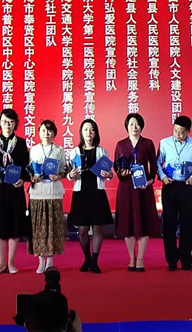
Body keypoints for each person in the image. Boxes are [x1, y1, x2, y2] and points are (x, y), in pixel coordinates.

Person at [0, 108, 30, 274]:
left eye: (11, 122)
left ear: (15, 124)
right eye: (4, 121)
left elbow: (26, 166)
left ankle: (11, 263)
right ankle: (1, 263)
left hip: (14, 189)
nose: (8, 125)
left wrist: (23, 179)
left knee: (14, 224)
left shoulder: (21, 143)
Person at [156, 115, 192, 271]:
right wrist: (163, 177)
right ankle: (171, 261)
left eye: (181, 132)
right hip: (170, 186)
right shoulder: (164, 143)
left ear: (188, 131)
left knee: (186, 224)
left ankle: (186, 261)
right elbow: (158, 163)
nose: (177, 134)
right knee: (169, 224)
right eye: (175, 131)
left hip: (186, 186)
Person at [113, 113, 159, 272]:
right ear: (126, 126)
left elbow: (154, 166)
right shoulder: (120, 144)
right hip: (126, 188)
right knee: (127, 222)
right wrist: (122, 173)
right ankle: (131, 257)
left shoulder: (148, 143)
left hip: (143, 189)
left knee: (144, 221)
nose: (134, 127)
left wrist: (150, 181)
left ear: (142, 126)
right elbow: (116, 166)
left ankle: (140, 259)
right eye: (131, 124)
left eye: (137, 124)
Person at [66, 119, 113, 273]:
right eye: (86, 129)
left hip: (97, 192)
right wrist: (71, 175)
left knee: (97, 228)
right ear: (81, 132)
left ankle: (94, 261)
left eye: (92, 129)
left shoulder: (101, 151)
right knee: (82, 230)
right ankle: (87, 257)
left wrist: (109, 174)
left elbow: (109, 173)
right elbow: (69, 174)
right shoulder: (74, 152)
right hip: (81, 193)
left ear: (96, 133)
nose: (89, 133)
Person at [28, 120, 67, 274]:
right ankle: (40, 261)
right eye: (43, 130)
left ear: (54, 133)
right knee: (38, 228)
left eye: (50, 131)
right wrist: (32, 177)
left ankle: (50, 261)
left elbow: (64, 169)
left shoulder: (59, 150)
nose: (46, 133)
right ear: (39, 132)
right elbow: (28, 170)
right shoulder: (34, 150)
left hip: (54, 192)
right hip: (37, 193)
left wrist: (59, 176)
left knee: (52, 228)